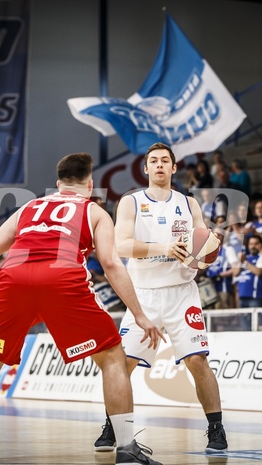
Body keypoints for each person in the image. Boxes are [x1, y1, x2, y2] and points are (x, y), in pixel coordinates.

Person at [0, 152, 165, 465]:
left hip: (14, 279)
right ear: (89, 185)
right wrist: (140, 315)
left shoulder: (29, 207)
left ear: (58, 184)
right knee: (113, 357)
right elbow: (112, 264)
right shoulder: (95, 211)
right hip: (62, 281)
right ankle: (127, 449)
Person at [94, 142, 229, 455]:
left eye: (164, 161)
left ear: (173, 168)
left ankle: (216, 428)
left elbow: (201, 252)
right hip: (143, 297)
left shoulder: (188, 203)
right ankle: (112, 426)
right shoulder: (130, 202)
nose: (158, 165)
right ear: (145, 168)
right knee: (121, 364)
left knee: (198, 361)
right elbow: (122, 246)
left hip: (182, 294)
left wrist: (208, 252)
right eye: (153, 161)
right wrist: (163, 248)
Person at [234, 233, 262, 329]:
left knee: (256, 325)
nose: (253, 246)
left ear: (261, 245)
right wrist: (240, 261)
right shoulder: (246, 257)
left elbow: (258, 272)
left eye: (256, 244)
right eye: (251, 244)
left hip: (255, 297)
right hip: (242, 296)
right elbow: (235, 273)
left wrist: (245, 262)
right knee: (244, 326)